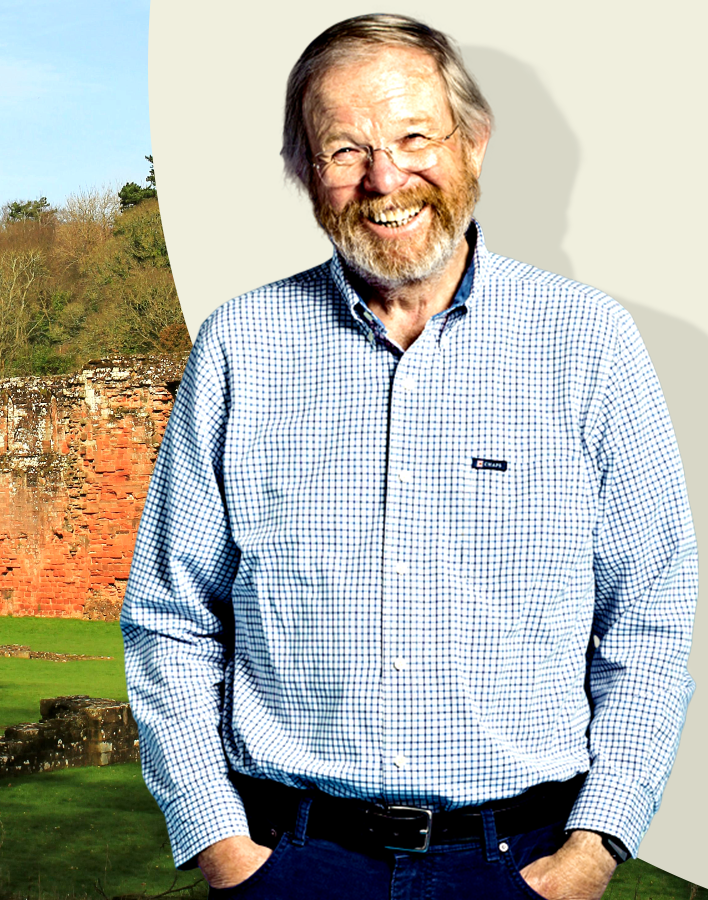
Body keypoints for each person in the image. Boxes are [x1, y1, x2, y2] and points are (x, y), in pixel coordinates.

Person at [121, 13, 695, 900]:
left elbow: (650, 616)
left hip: (521, 862)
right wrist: (224, 850)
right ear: (305, 170)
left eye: (414, 136)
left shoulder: (588, 343)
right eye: (344, 149)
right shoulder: (241, 345)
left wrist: (593, 853)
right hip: (292, 859)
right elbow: (171, 616)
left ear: (473, 140)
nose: (384, 178)